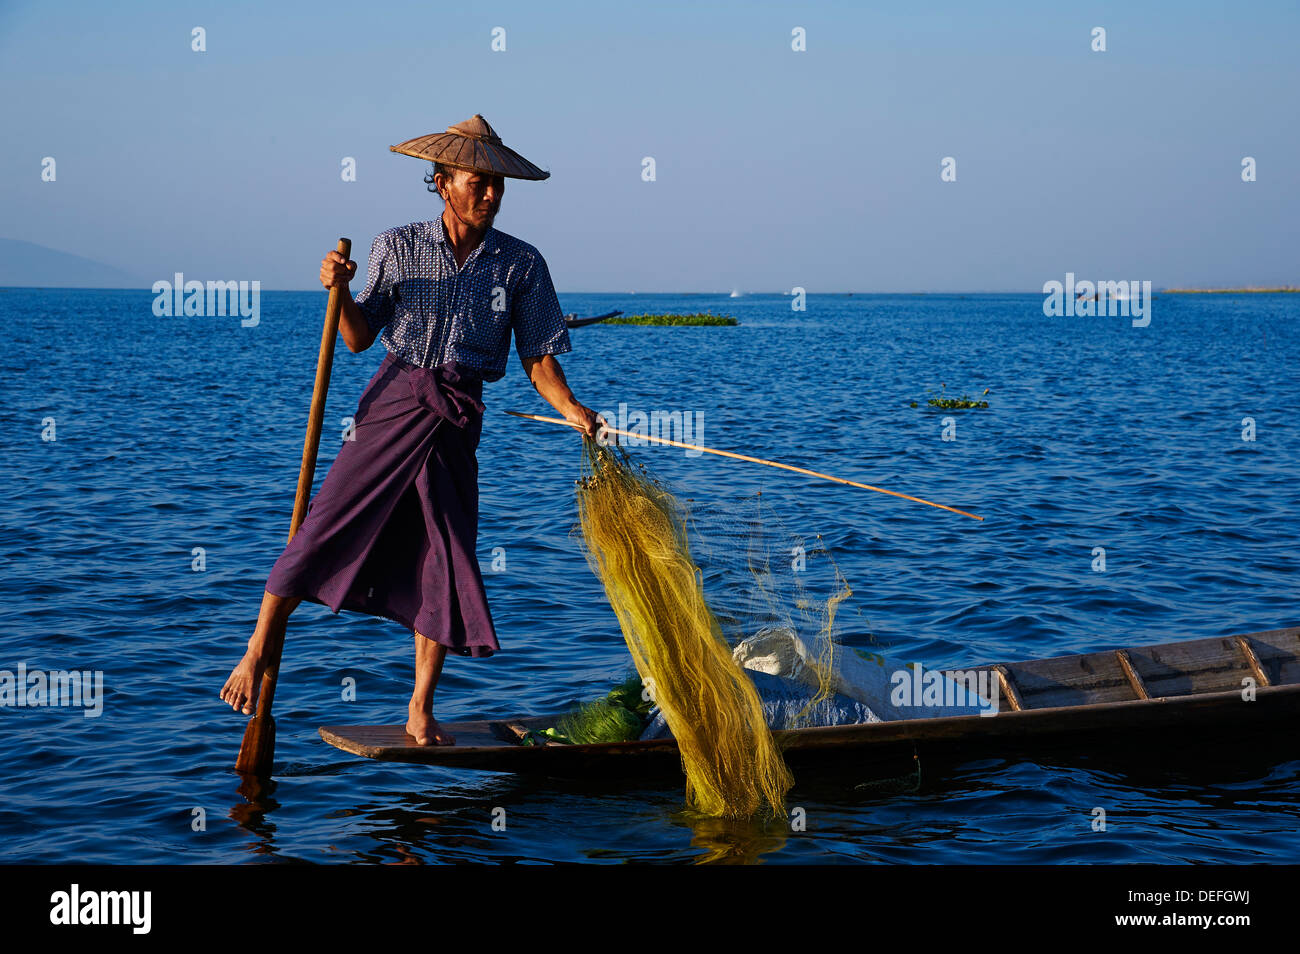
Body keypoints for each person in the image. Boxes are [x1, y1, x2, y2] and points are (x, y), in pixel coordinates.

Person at [220, 115, 600, 745]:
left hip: (456, 418)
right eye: (478, 182)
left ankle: (419, 707)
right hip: (394, 402)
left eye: (498, 186)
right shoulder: (398, 246)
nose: (490, 195)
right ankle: (258, 648)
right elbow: (358, 336)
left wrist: (572, 409)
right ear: (442, 181)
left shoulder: (522, 264)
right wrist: (338, 292)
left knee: (445, 558)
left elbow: (539, 358)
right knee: (325, 524)